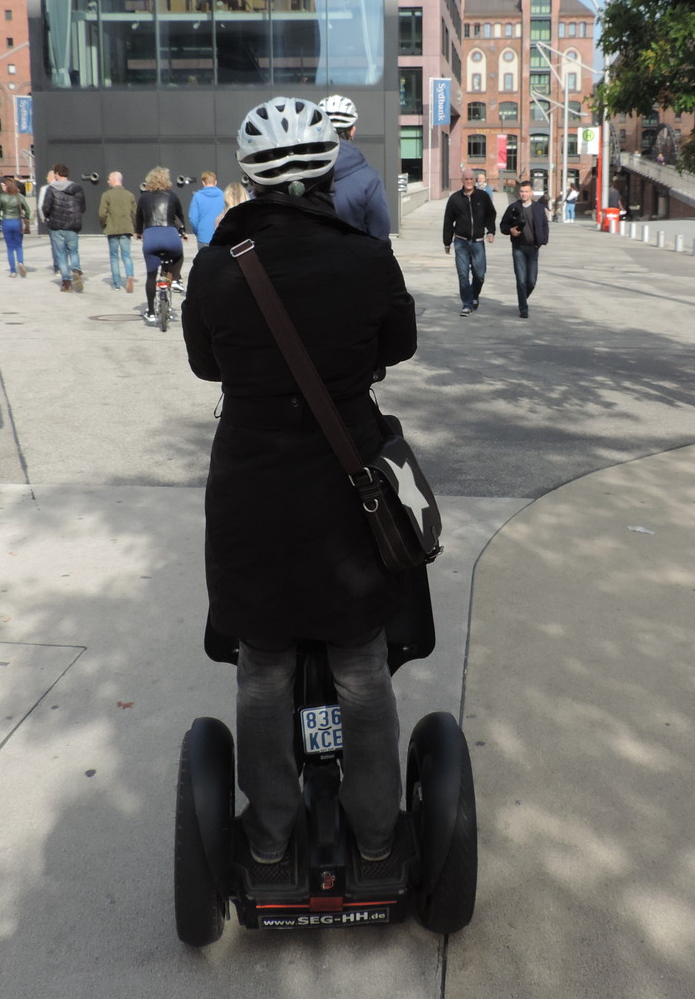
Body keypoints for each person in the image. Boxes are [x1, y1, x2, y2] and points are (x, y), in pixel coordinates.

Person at [182, 95, 417, 875]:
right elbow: (401, 343)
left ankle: (272, 833)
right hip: (347, 483)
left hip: (252, 484)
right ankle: (379, 834)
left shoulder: (218, 265)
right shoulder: (363, 255)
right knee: (359, 662)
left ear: (249, 176)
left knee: (264, 666)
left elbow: (205, 365)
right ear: (327, 166)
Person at [319, 94, 391, 238]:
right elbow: (380, 233)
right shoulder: (370, 179)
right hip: (355, 257)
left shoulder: (299, 172)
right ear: (352, 131)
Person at [136, 166, 188, 321]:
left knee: (151, 276)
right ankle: (176, 279)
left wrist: (138, 232)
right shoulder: (172, 195)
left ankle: (151, 312)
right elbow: (180, 216)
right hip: (170, 235)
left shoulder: (144, 197)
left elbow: (139, 218)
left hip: (151, 236)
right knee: (178, 255)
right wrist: (182, 232)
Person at [441, 170, 496, 317]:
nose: (469, 181)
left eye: (472, 178)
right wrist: (447, 242)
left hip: (478, 242)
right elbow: (448, 221)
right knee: (463, 275)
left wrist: (490, 231)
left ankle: (474, 295)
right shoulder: (454, 199)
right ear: (462, 180)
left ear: (475, 180)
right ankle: (466, 304)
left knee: (480, 275)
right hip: (461, 242)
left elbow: (491, 214)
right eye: (466, 178)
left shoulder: (482, 196)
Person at [500, 179, 550, 319]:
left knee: (531, 281)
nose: (524, 194)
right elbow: (503, 225)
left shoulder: (539, 208)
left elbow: (544, 226)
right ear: (519, 192)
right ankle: (523, 309)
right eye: (521, 191)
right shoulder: (513, 208)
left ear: (531, 192)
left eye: (526, 191)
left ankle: (522, 299)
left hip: (533, 248)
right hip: (518, 248)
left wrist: (543, 240)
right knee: (521, 280)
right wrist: (510, 230)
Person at [41, 164, 87, 292]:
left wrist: (48, 216)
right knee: (73, 251)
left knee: (61, 254)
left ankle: (66, 283)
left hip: (57, 226)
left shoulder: (51, 189)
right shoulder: (77, 188)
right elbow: (83, 207)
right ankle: (76, 270)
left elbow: (46, 208)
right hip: (73, 225)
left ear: (56, 174)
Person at [98, 171, 138, 292]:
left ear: (114, 180)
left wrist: (104, 224)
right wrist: (135, 228)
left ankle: (116, 284)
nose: (108, 181)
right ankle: (130, 276)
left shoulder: (107, 195)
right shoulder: (129, 195)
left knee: (114, 257)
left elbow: (102, 213)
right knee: (126, 256)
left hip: (112, 229)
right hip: (126, 229)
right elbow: (134, 214)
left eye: (109, 179)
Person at [0, 179, 32, 277]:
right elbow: (27, 210)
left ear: (6, 186)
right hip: (17, 222)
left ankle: (13, 271)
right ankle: (20, 262)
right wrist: (26, 218)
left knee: (10, 247)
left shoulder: (2, 197)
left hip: (6, 221)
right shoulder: (20, 197)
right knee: (19, 245)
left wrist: (0, 218)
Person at [187, 170, 226, 247]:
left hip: (203, 236)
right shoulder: (223, 195)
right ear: (215, 182)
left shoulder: (197, 196)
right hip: (220, 236)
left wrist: (198, 232)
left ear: (203, 183)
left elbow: (193, 219)